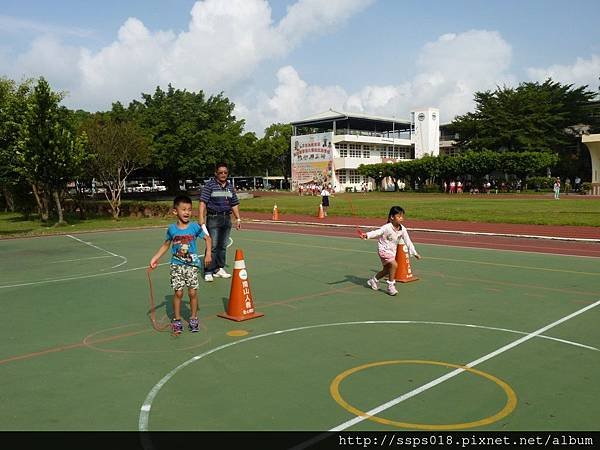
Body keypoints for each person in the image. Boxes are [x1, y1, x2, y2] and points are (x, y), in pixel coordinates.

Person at [150, 195, 212, 334]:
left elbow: (208, 239)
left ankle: (194, 318)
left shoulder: (195, 227)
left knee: (192, 292)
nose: (187, 212)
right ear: (175, 211)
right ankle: (177, 320)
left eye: (189, 210)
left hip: (192, 265)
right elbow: (166, 245)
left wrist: (208, 254)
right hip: (176, 265)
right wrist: (155, 258)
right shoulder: (172, 229)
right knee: (178, 293)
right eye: (183, 209)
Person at [360, 206, 421, 296]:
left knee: (387, 270)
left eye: (402, 217)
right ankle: (391, 286)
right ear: (392, 217)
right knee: (394, 265)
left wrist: (414, 252)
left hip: (392, 252)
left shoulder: (403, 229)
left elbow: (408, 241)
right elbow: (377, 232)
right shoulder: (387, 227)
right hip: (383, 250)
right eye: (399, 216)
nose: (401, 219)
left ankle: (373, 280)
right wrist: (367, 235)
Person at [198, 162, 242, 282]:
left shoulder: (230, 186)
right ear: (216, 173)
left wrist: (238, 218)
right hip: (213, 218)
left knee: (222, 246)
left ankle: (218, 268)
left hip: (226, 219)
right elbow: (202, 203)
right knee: (212, 245)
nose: (223, 174)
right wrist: (201, 218)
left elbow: (234, 204)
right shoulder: (209, 186)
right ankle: (208, 270)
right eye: (220, 172)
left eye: (225, 172)